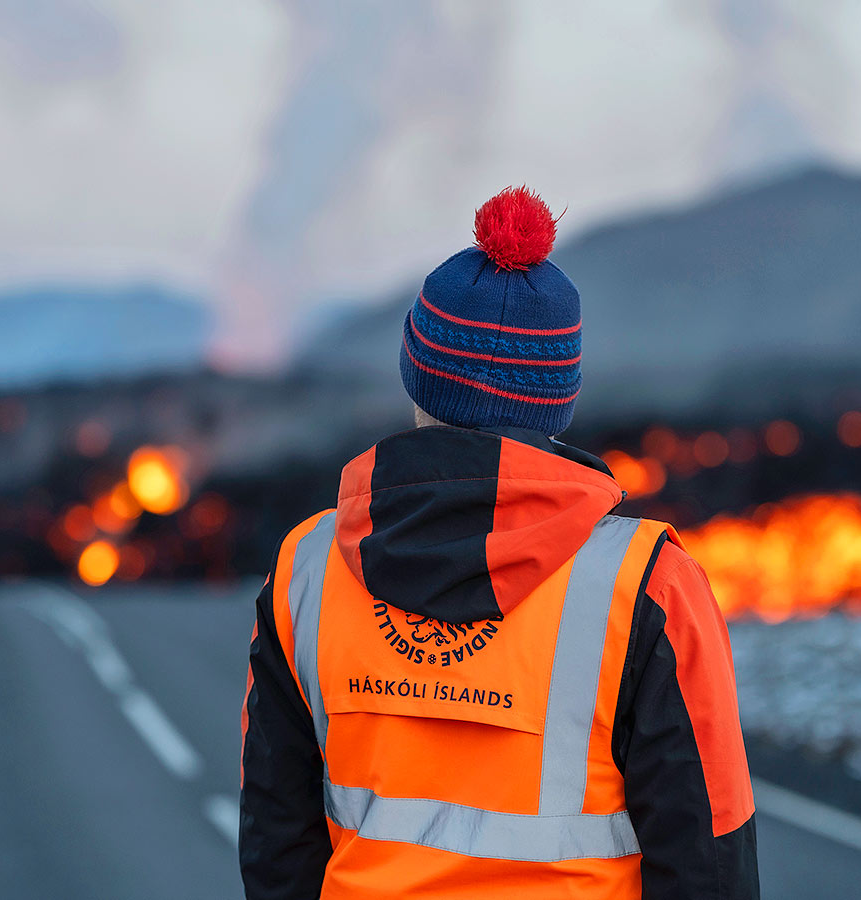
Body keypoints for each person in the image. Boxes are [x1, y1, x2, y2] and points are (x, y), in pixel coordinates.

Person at [240, 187, 759, 899]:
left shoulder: (307, 568)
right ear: (559, 395)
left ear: (415, 376)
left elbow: (276, 837)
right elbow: (710, 857)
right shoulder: (648, 587)